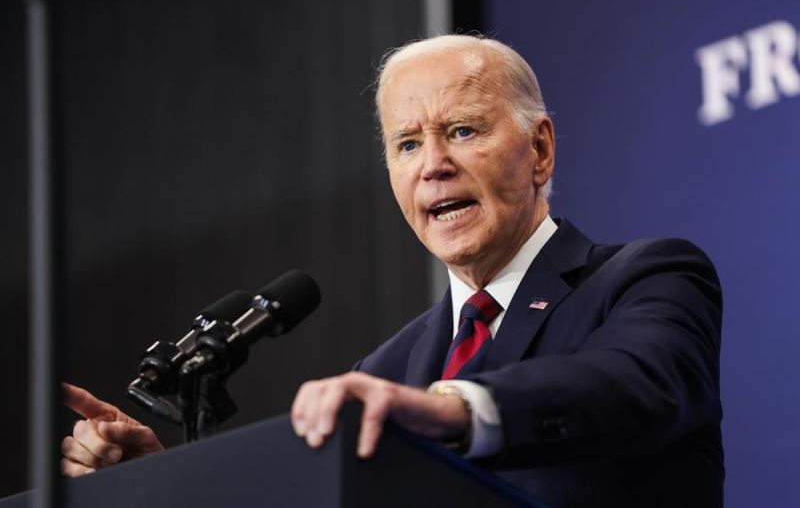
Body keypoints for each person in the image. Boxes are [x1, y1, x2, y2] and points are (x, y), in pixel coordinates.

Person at [61, 35, 723, 506]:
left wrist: (449, 408)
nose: (432, 163)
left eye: (462, 130)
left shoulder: (647, 277)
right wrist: (160, 489)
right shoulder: (381, 371)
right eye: (407, 144)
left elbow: (638, 385)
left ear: (540, 150)